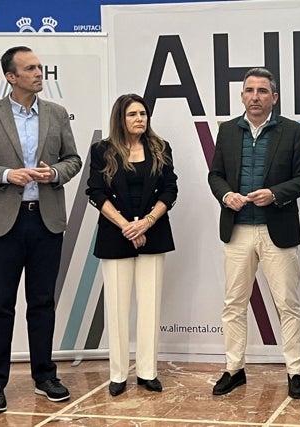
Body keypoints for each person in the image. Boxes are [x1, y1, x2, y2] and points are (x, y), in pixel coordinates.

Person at [0, 46, 82, 413]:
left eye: (40, 67)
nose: (40, 73)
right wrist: (7, 175)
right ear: (11, 77)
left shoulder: (54, 113)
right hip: (3, 222)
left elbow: (73, 159)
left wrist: (53, 173)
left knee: (42, 303)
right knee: (0, 305)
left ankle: (45, 376)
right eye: (31, 68)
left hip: (46, 219)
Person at [207, 67, 300, 399]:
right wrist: (226, 195)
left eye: (262, 91)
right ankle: (234, 368)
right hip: (237, 230)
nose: (255, 97)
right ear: (242, 96)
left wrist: (276, 193)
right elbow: (215, 175)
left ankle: (295, 371)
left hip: (276, 230)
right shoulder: (226, 132)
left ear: (274, 98)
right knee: (234, 303)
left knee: (287, 303)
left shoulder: (292, 131)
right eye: (250, 90)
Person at [86, 93, 178, 396]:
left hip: (153, 232)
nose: (140, 119)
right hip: (116, 235)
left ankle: (147, 371)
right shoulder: (102, 151)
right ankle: (117, 374)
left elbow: (170, 189)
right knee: (117, 307)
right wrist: (127, 226)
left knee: (150, 306)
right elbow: (96, 192)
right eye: (133, 114)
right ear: (120, 119)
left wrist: (146, 222)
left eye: (143, 113)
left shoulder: (161, 148)